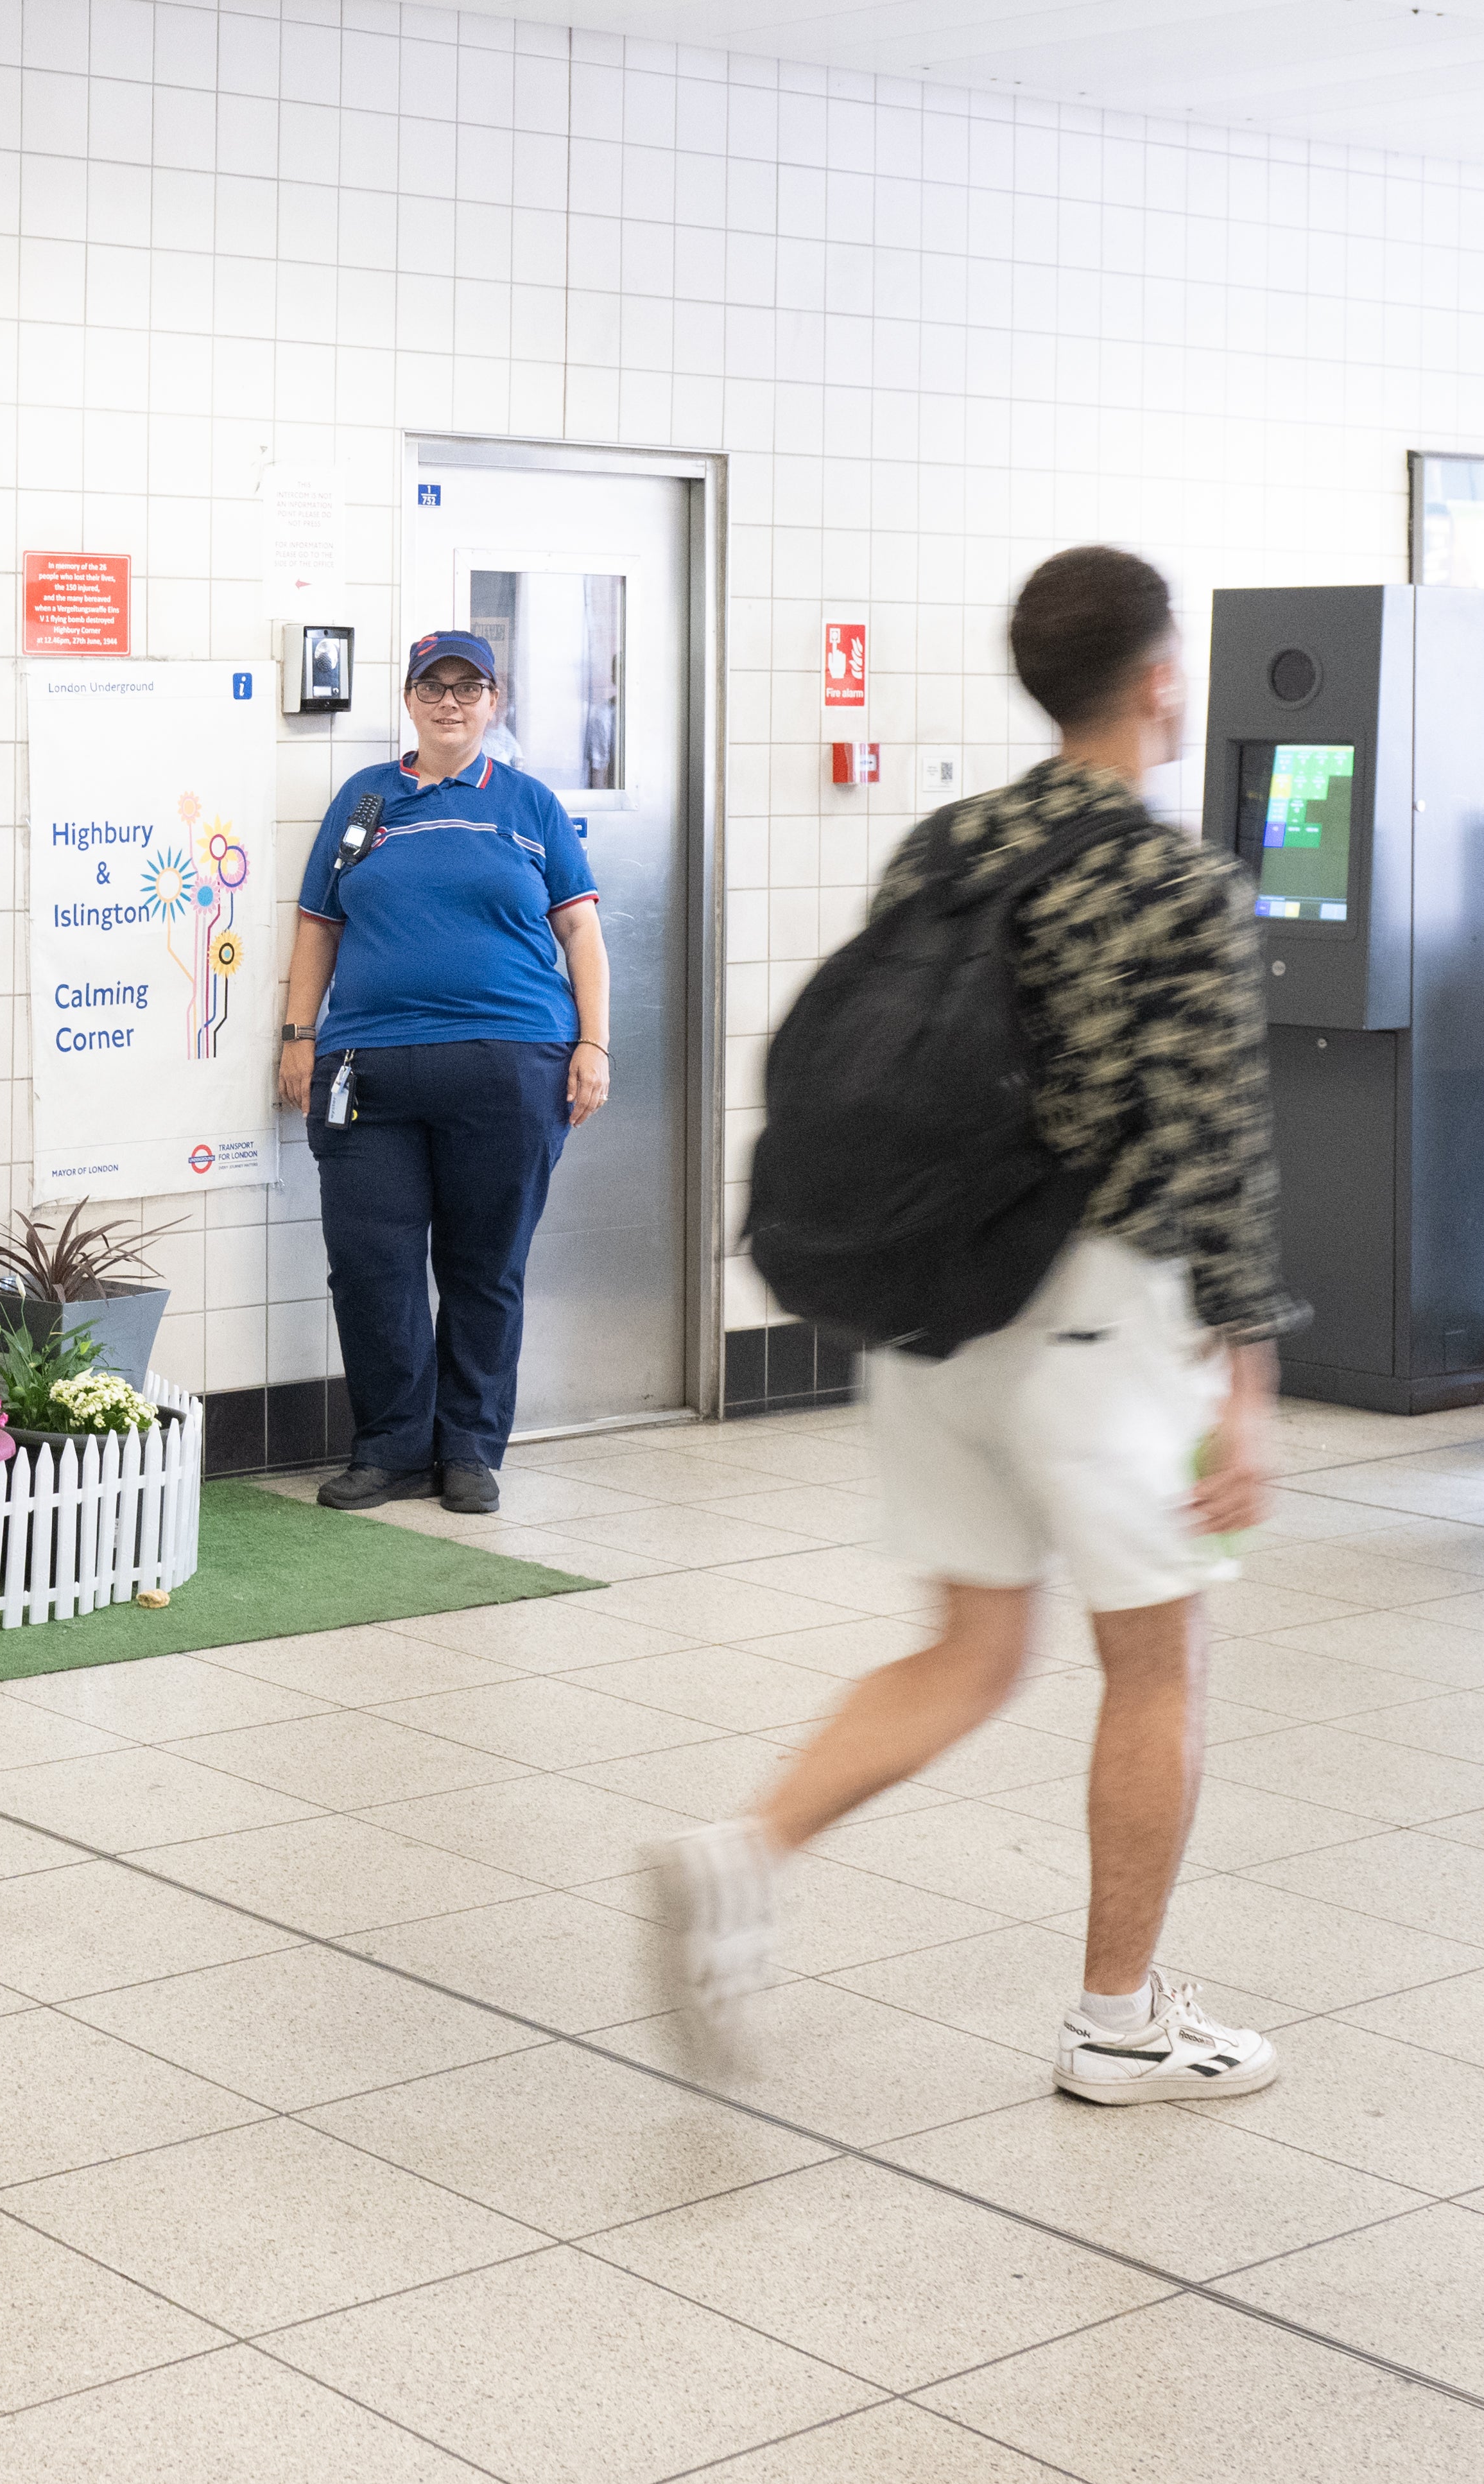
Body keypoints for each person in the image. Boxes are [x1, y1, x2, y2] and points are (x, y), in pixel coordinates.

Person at [659, 547, 1292, 2103]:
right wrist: (1254, 1378)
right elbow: (1213, 1147)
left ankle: (746, 1851)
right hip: (1099, 1317)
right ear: (1160, 683)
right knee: (1157, 1666)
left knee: (971, 1644)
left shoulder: (945, 845)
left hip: (936, 1313)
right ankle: (1117, 2022)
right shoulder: (1171, 881)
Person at [275, 629, 612, 1516]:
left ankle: (469, 1447)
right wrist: (296, 1034)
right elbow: (318, 923)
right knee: (369, 1263)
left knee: (483, 1263)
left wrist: (594, 1043)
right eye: (435, 685)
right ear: (410, 697)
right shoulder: (364, 800)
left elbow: (580, 931)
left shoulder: (529, 805)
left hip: (511, 1063)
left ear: (493, 702)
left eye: (469, 687)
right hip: (364, 1068)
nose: (451, 701)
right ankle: (388, 1448)